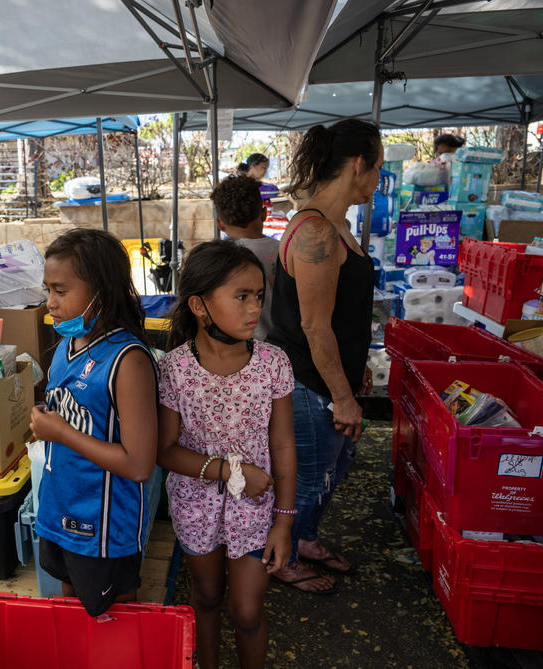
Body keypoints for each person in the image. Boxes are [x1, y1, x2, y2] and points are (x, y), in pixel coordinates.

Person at [157, 240, 296, 669]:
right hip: (195, 506)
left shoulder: (273, 363)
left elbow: (284, 445)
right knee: (207, 597)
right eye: (241, 297)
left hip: (256, 507)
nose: (254, 308)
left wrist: (285, 522)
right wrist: (232, 470)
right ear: (199, 306)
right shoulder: (175, 368)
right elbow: (165, 450)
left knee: (248, 612)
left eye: (258, 296)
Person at [266, 119, 381, 594]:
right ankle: (286, 558)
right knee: (306, 481)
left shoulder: (335, 226)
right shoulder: (314, 232)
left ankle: (306, 541)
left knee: (330, 474)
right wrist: (343, 396)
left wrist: (357, 370)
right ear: (359, 165)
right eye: (376, 168)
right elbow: (314, 327)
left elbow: (341, 317)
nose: (377, 180)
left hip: (330, 384)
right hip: (310, 387)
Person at [29, 228, 159, 618]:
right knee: (74, 613)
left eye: (60, 291)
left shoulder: (128, 360)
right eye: (47, 290)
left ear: (101, 290)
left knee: (112, 623)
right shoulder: (67, 345)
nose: (49, 303)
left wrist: (61, 432)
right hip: (59, 510)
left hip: (102, 530)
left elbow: (139, 465)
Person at [210, 175, 280, 340]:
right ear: (264, 214)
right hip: (282, 349)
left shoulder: (215, 260)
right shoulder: (286, 251)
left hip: (236, 351)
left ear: (219, 224)